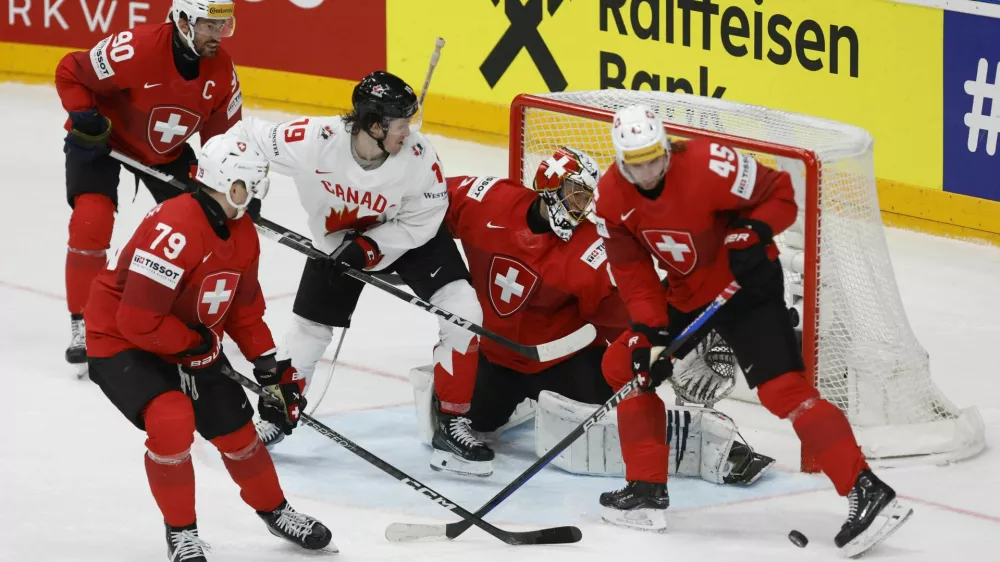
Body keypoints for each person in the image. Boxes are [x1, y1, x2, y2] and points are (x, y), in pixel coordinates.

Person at [593, 104, 912, 554]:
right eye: (635, 164)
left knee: (783, 391)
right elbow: (633, 273)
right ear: (620, 161)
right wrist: (652, 333)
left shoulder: (709, 164)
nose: (646, 172)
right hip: (686, 294)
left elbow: (780, 192)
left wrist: (752, 230)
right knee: (626, 366)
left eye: (653, 159)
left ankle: (867, 489)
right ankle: (645, 492)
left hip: (746, 288)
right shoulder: (609, 199)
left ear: (665, 147)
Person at [423, 148, 775, 483]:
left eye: (587, 197)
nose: (582, 207)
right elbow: (422, 201)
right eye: (575, 194)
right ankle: (513, 405)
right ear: (548, 188)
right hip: (495, 357)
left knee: (621, 418)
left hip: (561, 363)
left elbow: (635, 314)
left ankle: (713, 446)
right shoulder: (487, 199)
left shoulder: (594, 250)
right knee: (473, 420)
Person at [85, 135, 333, 561]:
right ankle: (181, 533)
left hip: (184, 336)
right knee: (172, 419)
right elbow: (137, 321)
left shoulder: (242, 234)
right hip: (123, 339)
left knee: (236, 430)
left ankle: (276, 510)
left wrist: (269, 368)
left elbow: (243, 307)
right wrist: (194, 345)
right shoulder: (176, 229)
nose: (255, 195)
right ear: (225, 182)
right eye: (248, 185)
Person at [230, 72, 482, 468]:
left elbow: (426, 217)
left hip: (408, 236)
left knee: (464, 310)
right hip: (338, 242)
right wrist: (244, 186)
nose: (409, 130)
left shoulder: (419, 158)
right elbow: (244, 136)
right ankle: (275, 416)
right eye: (401, 122)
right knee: (309, 330)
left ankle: (452, 420)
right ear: (374, 123)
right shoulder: (315, 141)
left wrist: (371, 248)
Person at [55, 0, 245, 372]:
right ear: (183, 21)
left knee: (206, 228)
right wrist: (85, 117)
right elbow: (70, 71)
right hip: (104, 141)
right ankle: (83, 321)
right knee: (90, 222)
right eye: (209, 26)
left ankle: (189, 313)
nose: (218, 36)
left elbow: (225, 138)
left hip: (166, 152)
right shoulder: (134, 48)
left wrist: (232, 181)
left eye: (223, 26)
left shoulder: (223, 71)